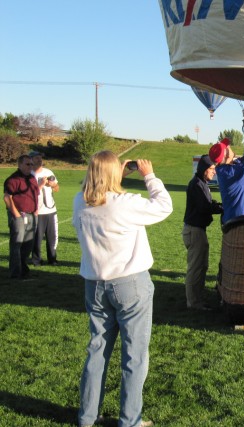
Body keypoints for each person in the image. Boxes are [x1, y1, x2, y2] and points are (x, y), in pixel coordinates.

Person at [73, 151, 172, 427]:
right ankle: (130, 420)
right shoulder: (124, 203)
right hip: (129, 283)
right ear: (113, 173)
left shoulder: (79, 202)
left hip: (94, 284)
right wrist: (149, 176)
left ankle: (87, 417)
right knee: (134, 354)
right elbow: (164, 206)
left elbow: (94, 191)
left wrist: (114, 175)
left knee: (97, 350)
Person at [183, 154, 223, 310]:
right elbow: (205, 207)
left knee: (202, 266)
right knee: (195, 268)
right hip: (195, 231)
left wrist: (219, 205)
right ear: (204, 169)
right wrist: (223, 208)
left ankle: (197, 298)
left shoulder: (201, 183)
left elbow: (208, 203)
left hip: (197, 230)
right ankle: (193, 302)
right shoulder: (197, 185)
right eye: (212, 169)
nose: (214, 172)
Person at [208, 135, 244, 224]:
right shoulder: (230, 174)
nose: (229, 146)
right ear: (226, 155)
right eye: (227, 147)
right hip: (240, 225)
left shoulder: (230, 168)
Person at [3, 154, 39, 279]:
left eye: (31, 164)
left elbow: (36, 195)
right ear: (20, 164)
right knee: (17, 243)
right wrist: (16, 214)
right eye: (27, 164)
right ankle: (15, 273)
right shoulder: (13, 180)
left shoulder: (32, 179)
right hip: (19, 215)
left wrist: (36, 211)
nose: (30, 166)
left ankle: (23, 269)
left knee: (28, 244)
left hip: (32, 215)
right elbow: (7, 197)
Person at [30, 151, 60, 266]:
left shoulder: (48, 172)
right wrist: (41, 185)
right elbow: (29, 193)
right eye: (36, 158)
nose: (39, 160)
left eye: (40, 158)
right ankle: (36, 260)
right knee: (37, 238)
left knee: (52, 237)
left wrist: (53, 185)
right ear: (31, 160)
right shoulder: (29, 175)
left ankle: (52, 259)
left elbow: (57, 188)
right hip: (37, 211)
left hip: (50, 210)